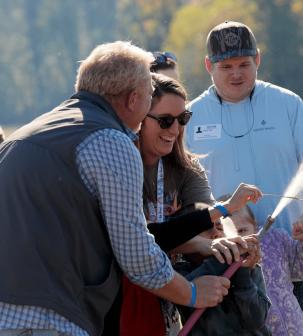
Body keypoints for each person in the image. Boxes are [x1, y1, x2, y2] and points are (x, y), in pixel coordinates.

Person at [0, 41, 231, 336]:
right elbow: (136, 256)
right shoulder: (111, 141)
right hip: (51, 320)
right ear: (134, 99)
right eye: (150, 95)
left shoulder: (26, 134)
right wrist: (192, 292)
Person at [185, 21, 303, 335]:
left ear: (258, 59)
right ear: (207, 65)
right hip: (226, 273)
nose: (236, 74)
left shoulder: (287, 104)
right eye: (225, 66)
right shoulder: (189, 117)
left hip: (293, 262)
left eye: (244, 64)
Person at [118, 73, 263, 336]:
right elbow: (138, 239)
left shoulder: (187, 168)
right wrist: (205, 244)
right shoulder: (121, 166)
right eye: (165, 120)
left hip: (175, 289)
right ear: (139, 118)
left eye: (182, 119)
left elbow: (208, 219)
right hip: (129, 295)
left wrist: (234, 244)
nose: (175, 129)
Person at [219, 198, 303, 335]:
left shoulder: (275, 242)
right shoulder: (221, 263)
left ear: (255, 226)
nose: (240, 241)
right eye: (230, 235)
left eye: (242, 230)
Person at [174, 208, 271, 335]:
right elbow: (184, 298)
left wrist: (243, 275)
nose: (216, 234)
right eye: (205, 229)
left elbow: (257, 320)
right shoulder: (180, 273)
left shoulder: (249, 268)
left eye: (219, 228)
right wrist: (221, 261)